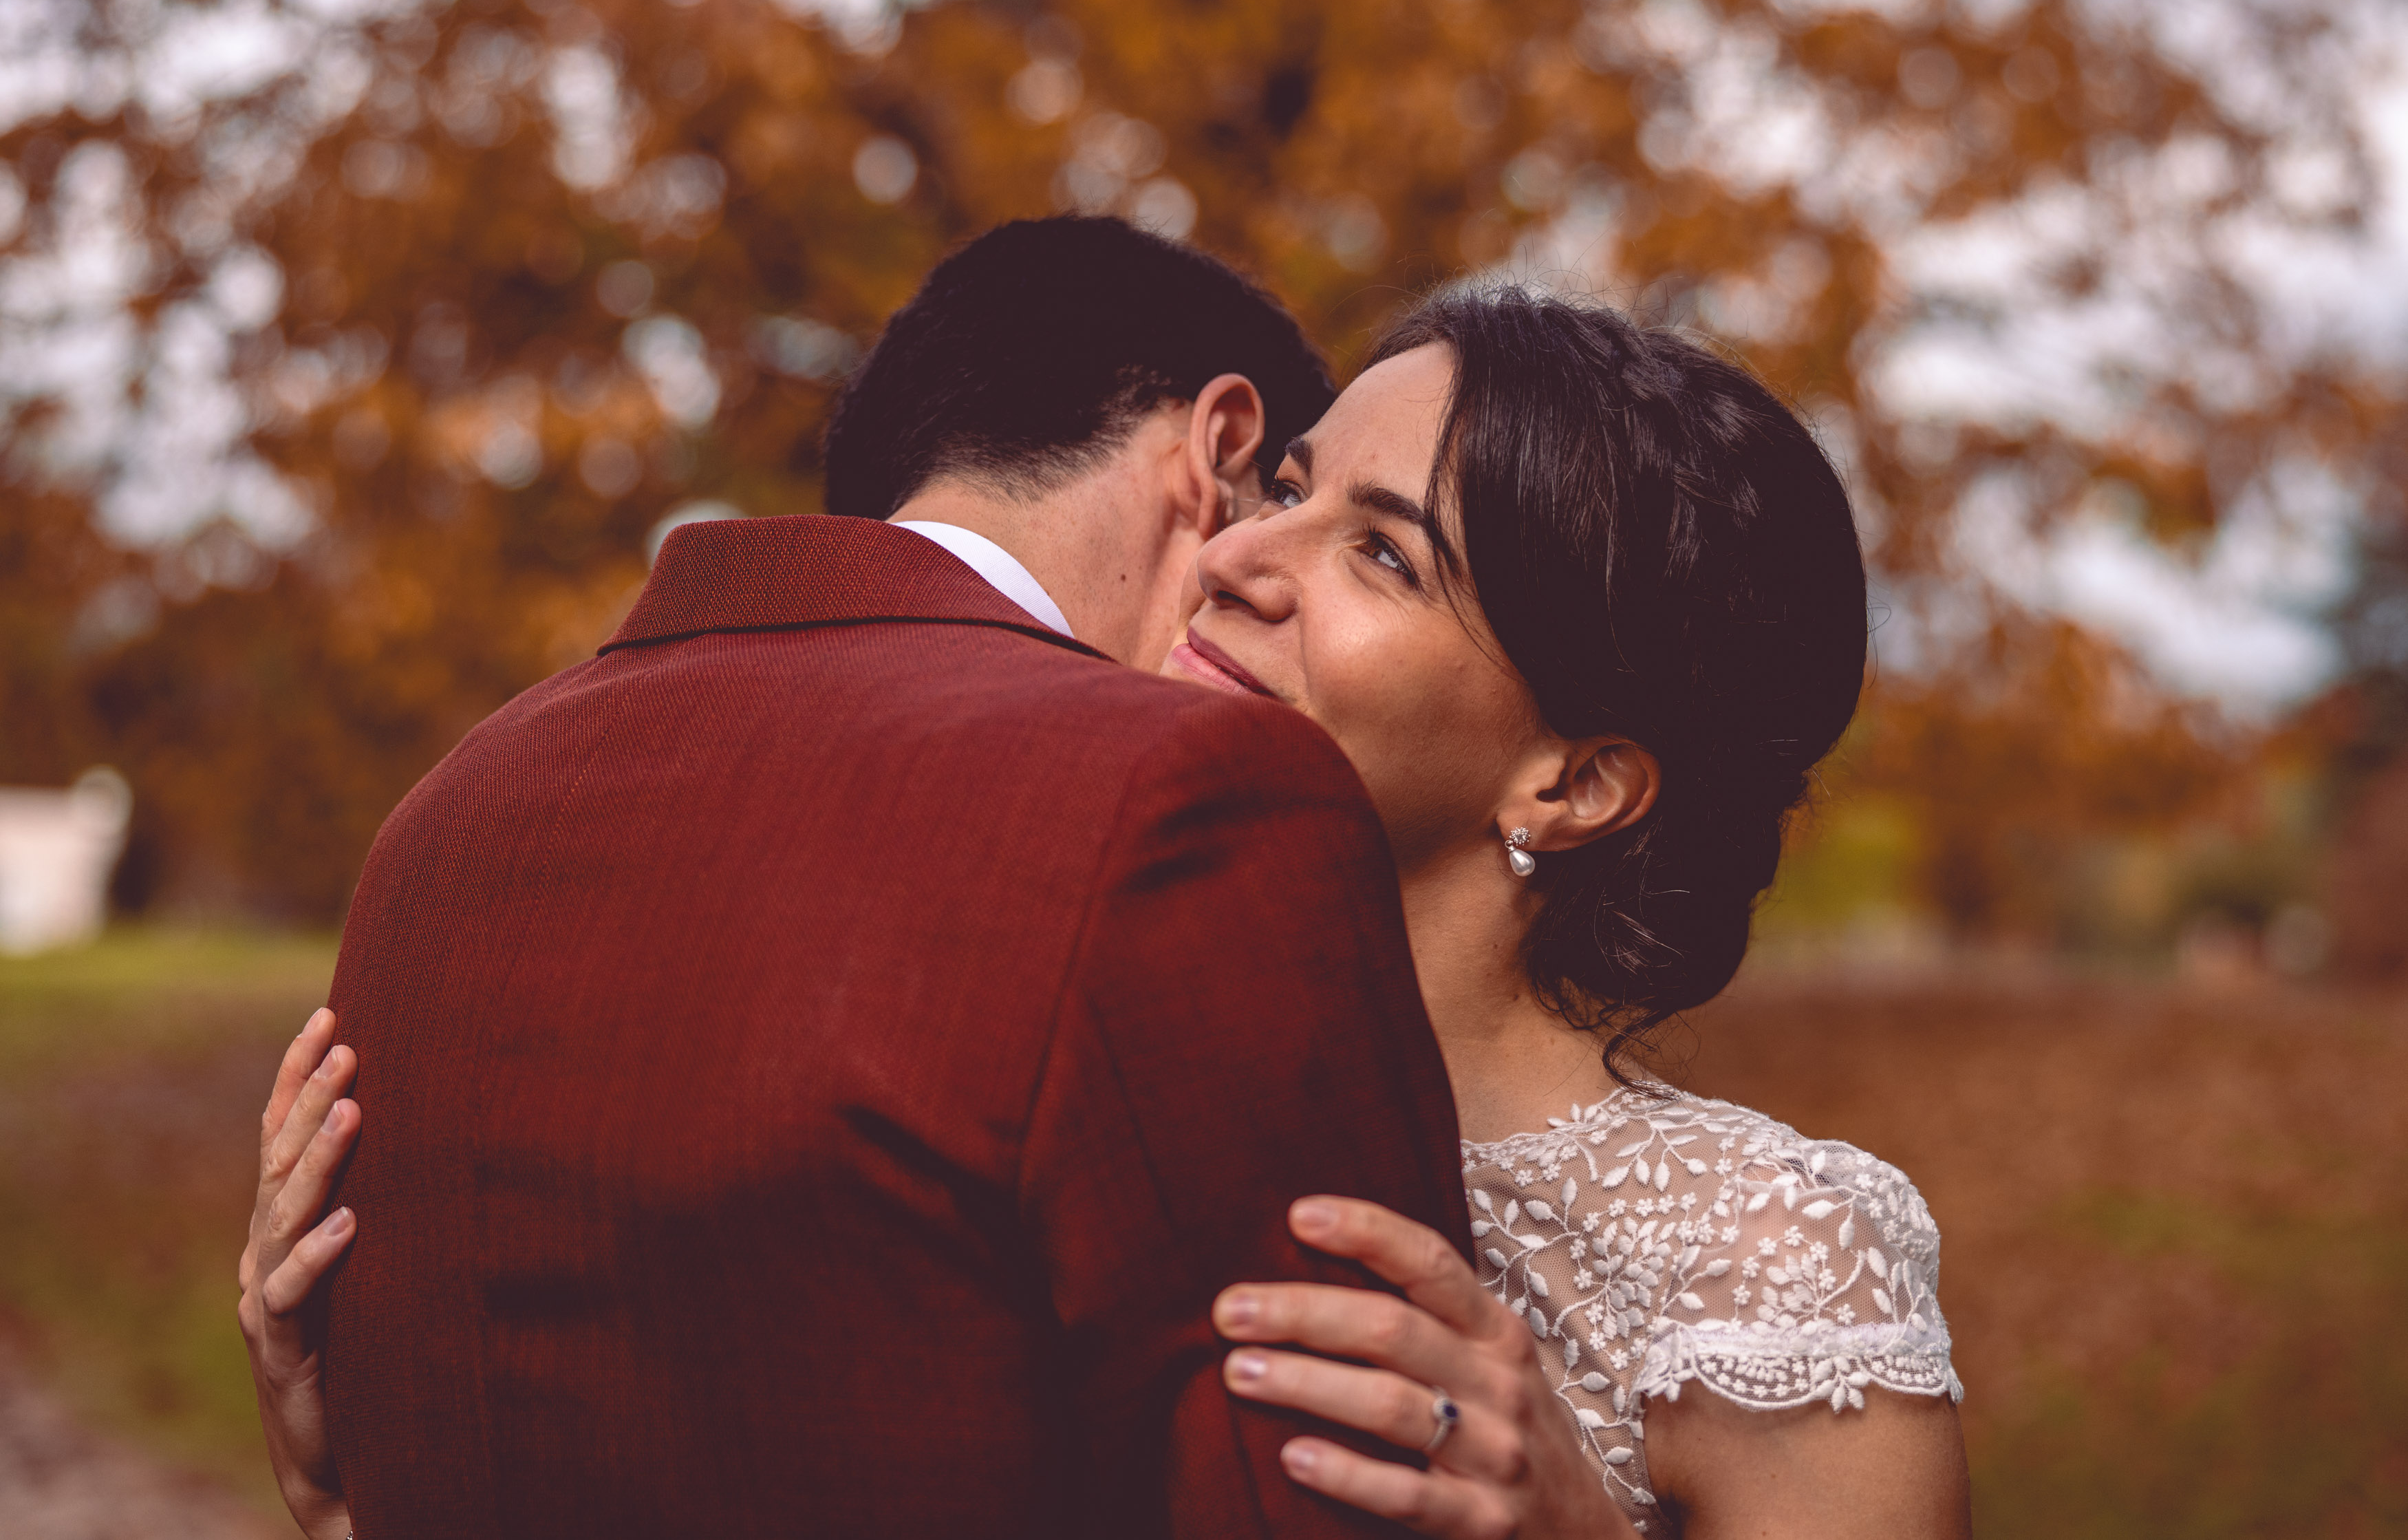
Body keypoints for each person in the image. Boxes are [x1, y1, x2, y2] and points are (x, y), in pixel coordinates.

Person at [247, 267, 1976, 1537]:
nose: (1235, 554)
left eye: (1380, 554)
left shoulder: (1774, 1259)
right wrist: (357, 1474)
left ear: (1572, 784)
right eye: (1287, 485)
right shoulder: (1032, 1038)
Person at [239, 215, 1474, 1540]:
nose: (1260, 571)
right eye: (1283, 495)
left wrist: (329, 1499)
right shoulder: (1183, 796)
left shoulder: (443, 820)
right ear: (1217, 449)